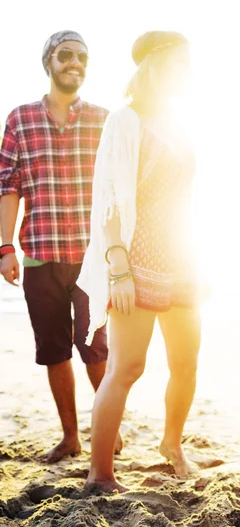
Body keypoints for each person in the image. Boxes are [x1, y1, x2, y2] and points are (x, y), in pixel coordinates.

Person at [78, 31, 200, 493]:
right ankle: (100, 474)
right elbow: (110, 200)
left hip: (185, 256)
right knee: (127, 368)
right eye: (178, 63)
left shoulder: (180, 121)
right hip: (139, 256)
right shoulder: (125, 121)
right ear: (153, 65)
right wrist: (118, 265)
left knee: (187, 362)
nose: (186, 72)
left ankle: (172, 444)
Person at [0, 30, 119, 462]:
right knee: (53, 350)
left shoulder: (105, 119)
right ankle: (71, 437)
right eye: (66, 55)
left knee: (97, 349)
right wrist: (5, 247)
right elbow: (8, 185)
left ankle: (107, 429)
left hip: (92, 257)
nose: (75, 63)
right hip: (40, 255)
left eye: (82, 57)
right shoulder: (20, 119)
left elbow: (120, 188)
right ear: (48, 60)